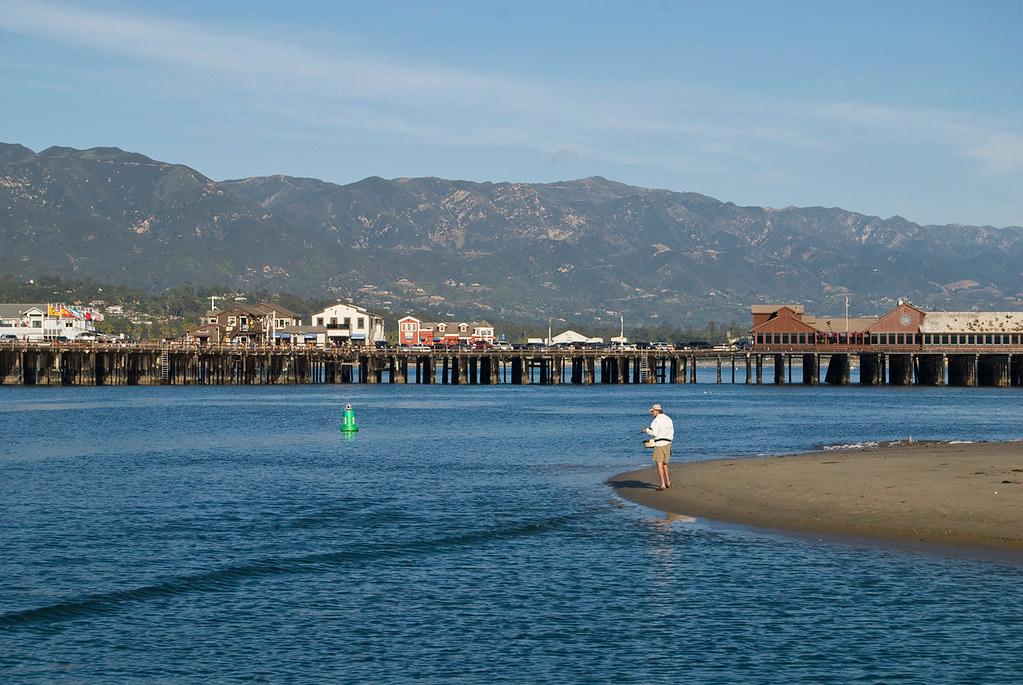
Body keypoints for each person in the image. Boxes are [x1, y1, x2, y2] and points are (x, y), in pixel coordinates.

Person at [643, 403, 674, 491]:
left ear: (657, 411)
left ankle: (663, 484)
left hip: (660, 444)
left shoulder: (655, 421)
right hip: (668, 442)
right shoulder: (668, 418)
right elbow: (672, 431)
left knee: (659, 464)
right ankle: (668, 482)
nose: (651, 413)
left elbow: (654, 433)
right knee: (665, 464)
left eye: (652, 411)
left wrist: (646, 430)